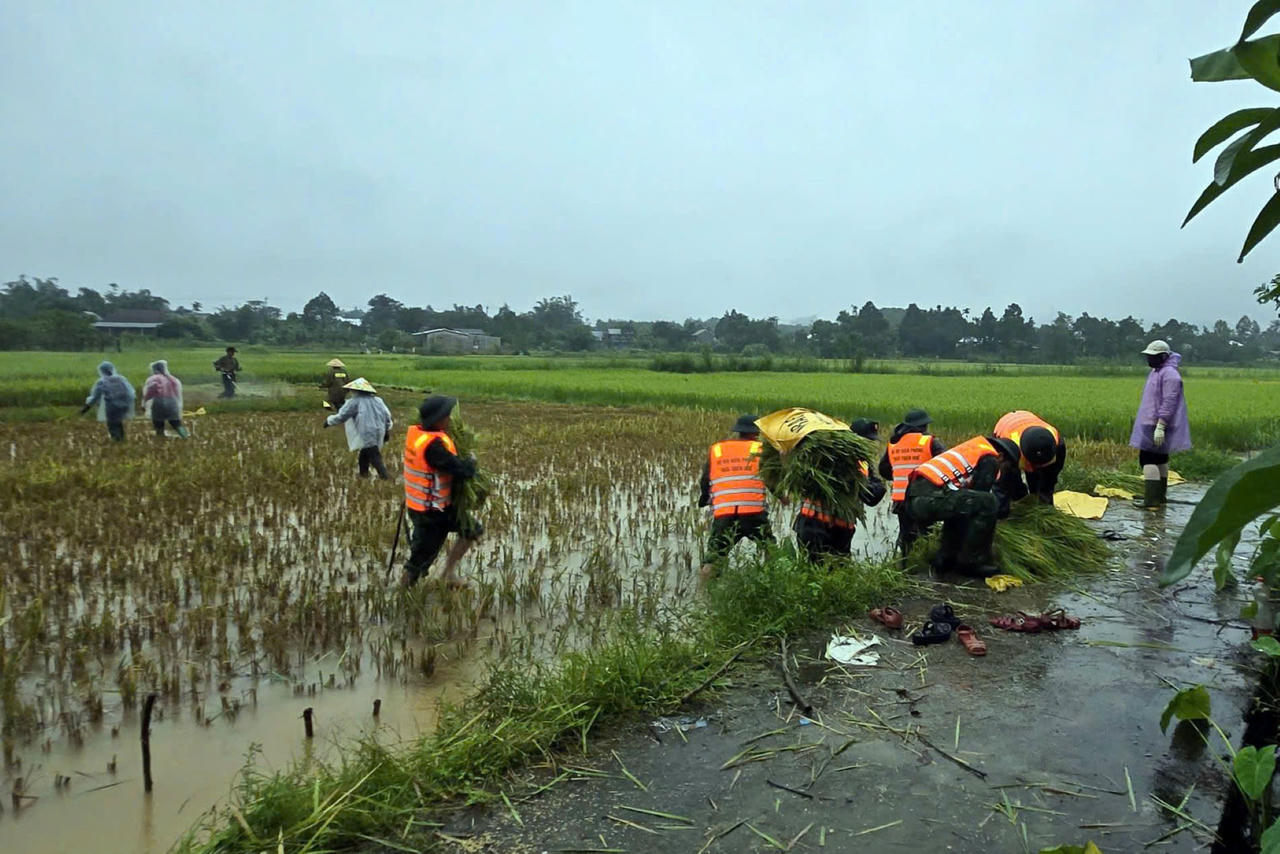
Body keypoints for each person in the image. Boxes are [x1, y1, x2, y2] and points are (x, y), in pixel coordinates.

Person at [904, 435, 1024, 577]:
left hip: (915, 499)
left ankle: (945, 558)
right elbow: (980, 496)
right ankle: (972, 562)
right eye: (1007, 467)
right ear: (1001, 456)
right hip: (929, 498)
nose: (1003, 472)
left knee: (963, 505)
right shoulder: (990, 458)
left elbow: (966, 504)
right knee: (988, 502)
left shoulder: (974, 449)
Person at [401, 395, 482, 587]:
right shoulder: (433, 447)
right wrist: (471, 461)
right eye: (446, 415)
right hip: (430, 513)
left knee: (471, 529)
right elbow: (462, 471)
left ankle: (447, 574)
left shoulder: (418, 435)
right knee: (419, 560)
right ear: (437, 420)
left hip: (435, 507)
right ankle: (403, 593)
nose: (449, 419)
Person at [793, 418, 886, 562]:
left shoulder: (863, 463)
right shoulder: (830, 457)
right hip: (815, 524)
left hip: (842, 531)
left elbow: (873, 496)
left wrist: (866, 485)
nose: (870, 445)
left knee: (839, 569)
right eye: (867, 441)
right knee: (815, 568)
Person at [698, 414, 771, 581]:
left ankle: (702, 591)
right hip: (753, 512)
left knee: (714, 557)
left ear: (739, 431)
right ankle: (774, 582)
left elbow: (705, 479)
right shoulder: (760, 449)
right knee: (770, 549)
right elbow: (771, 479)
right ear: (755, 433)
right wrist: (782, 497)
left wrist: (704, 498)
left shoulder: (717, 449)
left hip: (724, 513)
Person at [1130, 340, 1191, 508]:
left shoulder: (1170, 375)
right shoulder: (1158, 371)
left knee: (1148, 460)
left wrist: (1161, 425)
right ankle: (1159, 497)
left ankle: (1151, 500)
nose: (1150, 359)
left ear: (1164, 356)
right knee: (1160, 459)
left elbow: (1169, 402)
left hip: (1156, 424)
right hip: (1153, 422)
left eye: (1153, 356)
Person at [879, 409, 947, 559]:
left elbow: (883, 470)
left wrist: (899, 475)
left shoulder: (894, 444)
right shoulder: (929, 442)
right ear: (923, 426)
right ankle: (924, 563)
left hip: (901, 500)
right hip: (924, 498)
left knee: (906, 536)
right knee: (926, 535)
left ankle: (904, 563)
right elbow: (945, 465)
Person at [324, 377, 393, 479]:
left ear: (356, 391)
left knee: (374, 454)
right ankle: (363, 475)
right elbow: (387, 416)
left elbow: (342, 416)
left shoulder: (354, 402)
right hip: (380, 430)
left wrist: (329, 421)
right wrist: (386, 430)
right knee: (365, 452)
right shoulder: (378, 401)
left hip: (367, 431)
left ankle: (385, 477)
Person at [993, 410, 1065, 505]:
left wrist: (1044, 493)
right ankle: (1021, 502)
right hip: (1006, 425)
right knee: (1012, 482)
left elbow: (1051, 474)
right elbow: (1002, 482)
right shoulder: (1008, 448)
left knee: (1043, 486)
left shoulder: (1057, 443)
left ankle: (1040, 502)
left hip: (1030, 424)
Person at [80, 361, 135, 441]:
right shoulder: (121, 379)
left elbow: (95, 397)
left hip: (112, 407)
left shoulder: (102, 381)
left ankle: (117, 441)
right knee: (119, 423)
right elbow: (130, 393)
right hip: (124, 406)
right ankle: (122, 440)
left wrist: (86, 408)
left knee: (112, 424)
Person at [141, 360, 188, 438]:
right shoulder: (172, 379)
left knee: (158, 422)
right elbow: (178, 393)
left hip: (159, 402)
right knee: (176, 423)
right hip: (173, 402)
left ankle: (160, 437)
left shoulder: (153, 379)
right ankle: (185, 436)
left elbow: (149, 392)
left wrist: (144, 403)